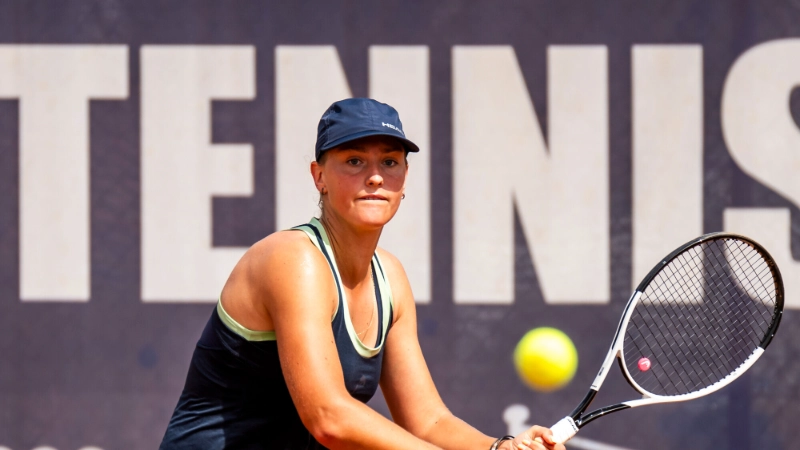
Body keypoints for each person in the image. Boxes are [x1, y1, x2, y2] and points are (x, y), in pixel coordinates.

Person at [160, 98, 564, 450]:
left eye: (389, 162)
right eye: (354, 161)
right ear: (319, 176)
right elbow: (329, 419)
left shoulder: (390, 276)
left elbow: (427, 421)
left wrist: (499, 447)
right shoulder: (292, 259)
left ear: (404, 179)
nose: (374, 176)